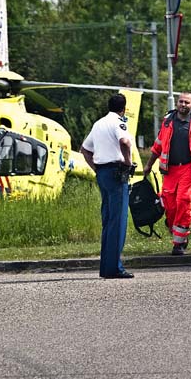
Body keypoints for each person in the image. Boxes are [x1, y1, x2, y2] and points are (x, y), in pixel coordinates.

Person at [142, 92, 191, 255]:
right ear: (176, 104)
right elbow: (157, 146)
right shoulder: (167, 122)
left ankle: (179, 243)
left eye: (187, 102)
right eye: (181, 102)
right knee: (169, 204)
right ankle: (174, 226)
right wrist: (149, 165)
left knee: (183, 200)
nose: (183, 105)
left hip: (190, 168)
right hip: (170, 169)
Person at [80, 93, 135, 279]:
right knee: (118, 222)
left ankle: (106, 267)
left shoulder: (98, 124)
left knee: (108, 220)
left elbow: (85, 149)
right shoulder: (119, 122)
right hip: (117, 172)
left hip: (102, 172)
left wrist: (96, 168)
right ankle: (114, 268)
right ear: (124, 108)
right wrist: (128, 162)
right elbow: (125, 141)